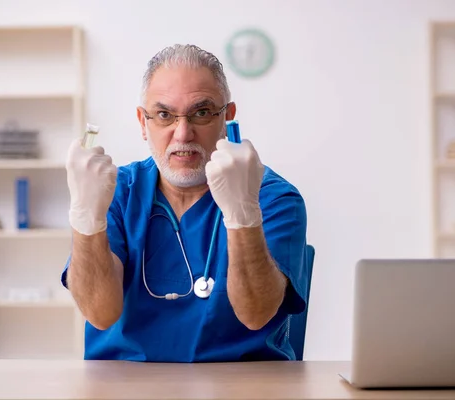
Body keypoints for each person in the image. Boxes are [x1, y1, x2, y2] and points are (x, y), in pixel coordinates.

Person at [61, 44, 309, 362]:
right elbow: (100, 313)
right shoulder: (114, 191)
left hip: (241, 384)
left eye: (201, 113)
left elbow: (256, 314)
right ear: (142, 122)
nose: (182, 134)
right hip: (125, 384)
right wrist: (85, 217)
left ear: (228, 118)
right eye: (164, 115)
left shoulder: (272, 198)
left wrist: (243, 215)